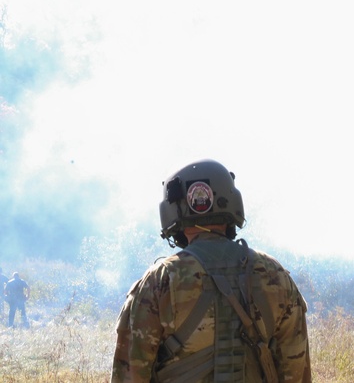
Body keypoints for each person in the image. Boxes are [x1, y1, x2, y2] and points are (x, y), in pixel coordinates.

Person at [112, 159, 311, 382]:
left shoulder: (161, 281)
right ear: (232, 205)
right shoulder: (275, 276)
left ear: (173, 212)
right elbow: (296, 372)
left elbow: (130, 375)